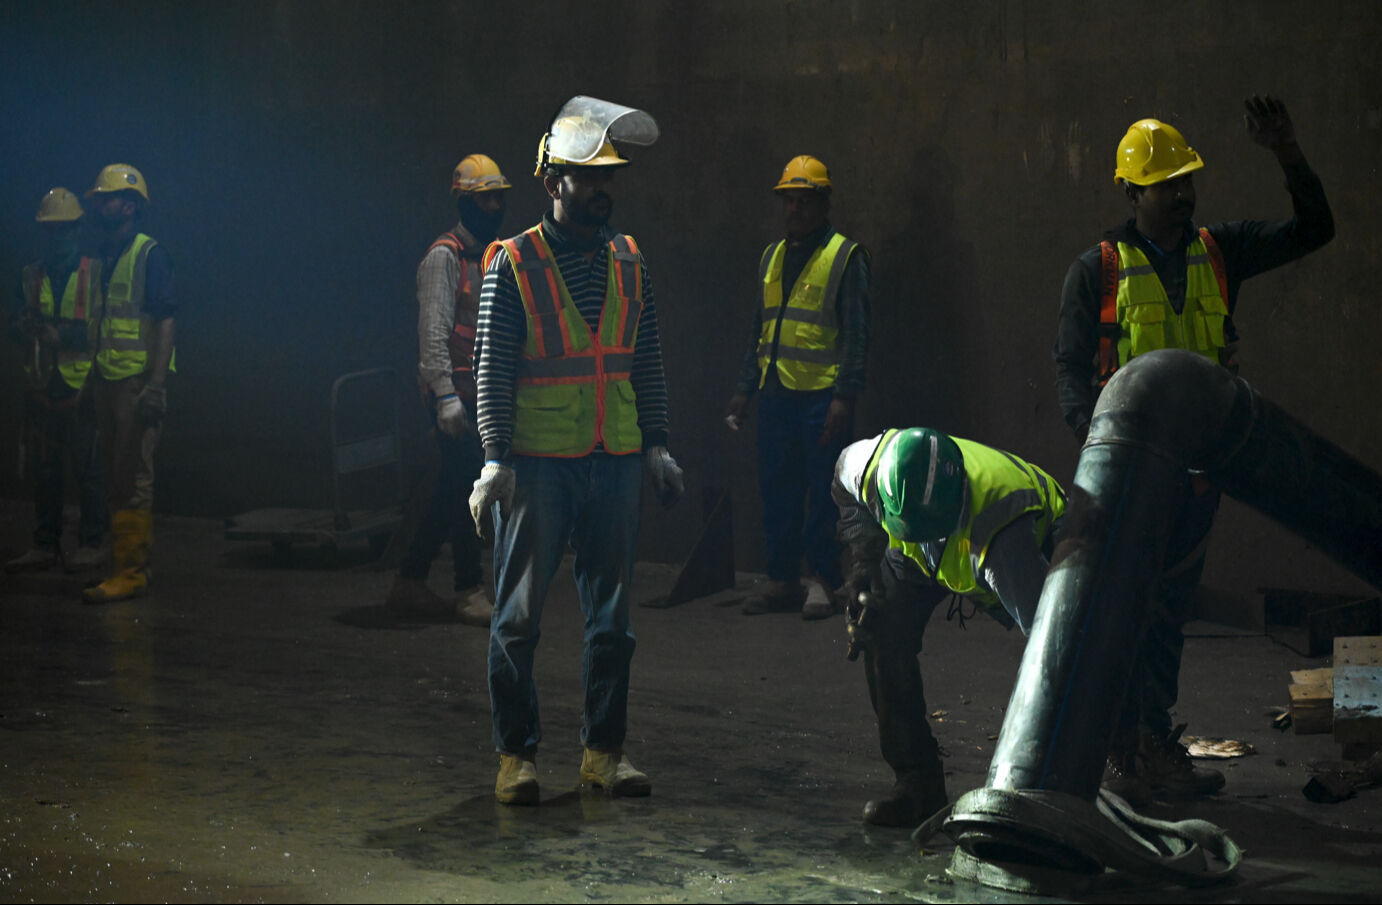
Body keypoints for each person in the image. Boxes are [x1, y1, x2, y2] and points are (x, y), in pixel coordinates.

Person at [1052, 96, 1334, 802]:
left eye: (1186, 182)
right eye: (1166, 184)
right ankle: (1124, 743)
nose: (1182, 195)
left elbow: (1314, 229)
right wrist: (1098, 451)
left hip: (1198, 475)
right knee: (1119, 612)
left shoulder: (1219, 250)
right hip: (1128, 478)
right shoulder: (1100, 269)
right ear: (1131, 191)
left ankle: (1147, 743)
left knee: (1165, 612)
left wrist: (1287, 152)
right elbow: (1068, 369)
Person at [468, 97, 683, 805]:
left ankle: (603, 752)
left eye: (608, 178)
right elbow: (492, 366)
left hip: (614, 459)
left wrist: (655, 444)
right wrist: (495, 456)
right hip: (536, 463)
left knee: (613, 621)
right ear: (552, 182)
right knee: (518, 616)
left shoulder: (628, 257)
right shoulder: (515, 262)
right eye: (588, 178)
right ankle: (515, 756)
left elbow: (644, 357)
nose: (603, 191)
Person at [832, 427, 1066, 826]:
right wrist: (865, 563)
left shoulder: (1004, 537)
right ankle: (916, 783)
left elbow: (1055, 652)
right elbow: (842, 485)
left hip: (1021, 540)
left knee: (1064, 657)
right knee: (882, 632)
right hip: (916, 561)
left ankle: (1121, 760)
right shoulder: (867, 464)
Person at [726, 155, 870, 620]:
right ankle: (782, 579)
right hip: (776, 394)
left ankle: (824, 580)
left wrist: (844, 397)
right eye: (789, 200)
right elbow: (759, 330)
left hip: (821, 397)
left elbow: (856, 334)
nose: (795, 209)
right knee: (777, 488)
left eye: (804, 200)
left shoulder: (845, 257)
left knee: (824, 492)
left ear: (823, 203)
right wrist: (746, 388)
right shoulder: (773, 256)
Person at [384, 154, 510, 625]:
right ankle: (467, 589)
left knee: (453, 488)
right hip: (454, 396)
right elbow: (433, 333)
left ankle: (410, 581)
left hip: (480, 394)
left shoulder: (494, 253)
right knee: (464, 489)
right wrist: (444, 397)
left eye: (500, 196)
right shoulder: (445, 257)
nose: (495, 205)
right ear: (465, 201)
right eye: (486, 198)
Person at [80, 164, 179, 604]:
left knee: (133, 476)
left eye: (109, 197)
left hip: (135, 383)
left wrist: (155, 385)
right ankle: (125, 564)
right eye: (100, 198)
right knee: (115, 476)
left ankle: (132, 571)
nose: (102, 204)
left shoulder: (148, 254)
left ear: (131, 204)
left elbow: (165, 320)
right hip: (108, 378)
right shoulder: (106, 255)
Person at [5, 188, 106, 574]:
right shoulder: (30, 274)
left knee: (88, 469)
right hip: (44, 388)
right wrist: (23, 326)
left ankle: (93, 542)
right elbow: (14, 324)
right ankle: (45, 545)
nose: (57, 236)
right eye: (51, 230)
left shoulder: (94, 272)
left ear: (78, 229)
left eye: (64, 229)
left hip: (82, 388)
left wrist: (60, 337)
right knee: (46, 472)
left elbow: (102, 328)